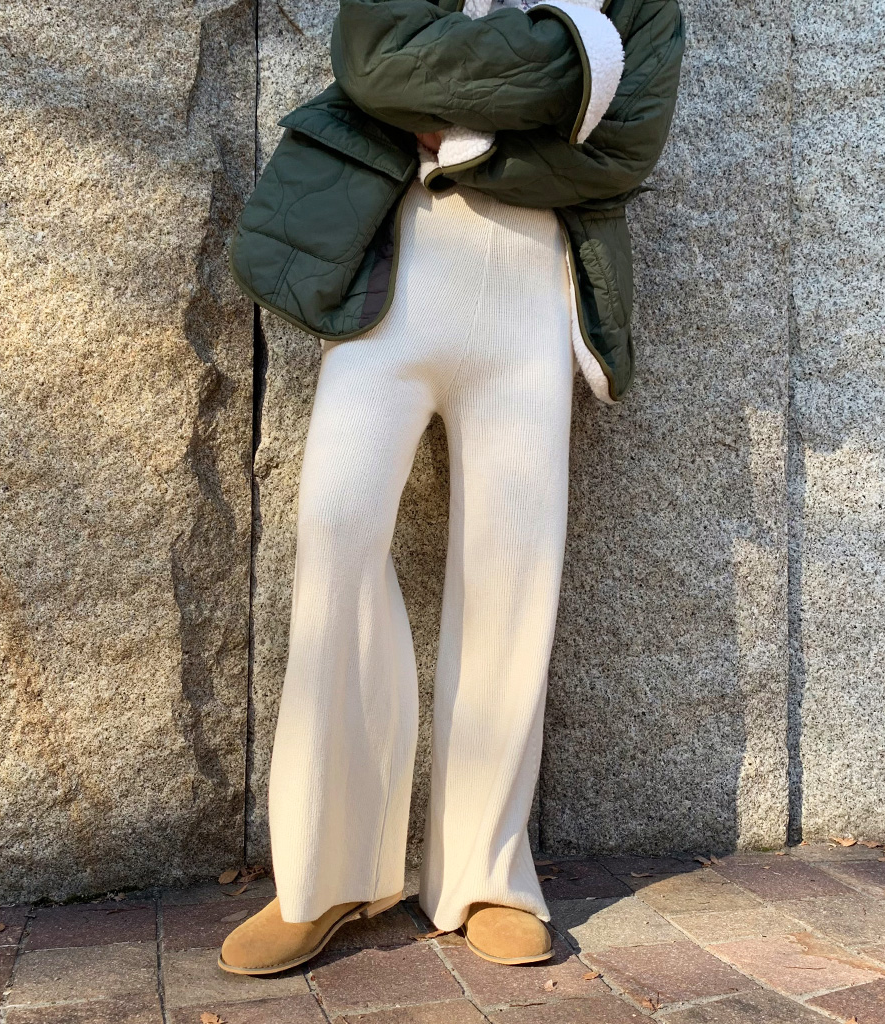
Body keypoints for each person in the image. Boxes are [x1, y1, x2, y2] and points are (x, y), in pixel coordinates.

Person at [220, 0, 683, 974]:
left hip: (530, 313)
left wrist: (460, 139)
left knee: (512, 576)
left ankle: (486, 876)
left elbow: (623, 145)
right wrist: (568, 69)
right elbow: (376, 65)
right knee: (336, 536)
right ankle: (325, 875)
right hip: (392, 300)